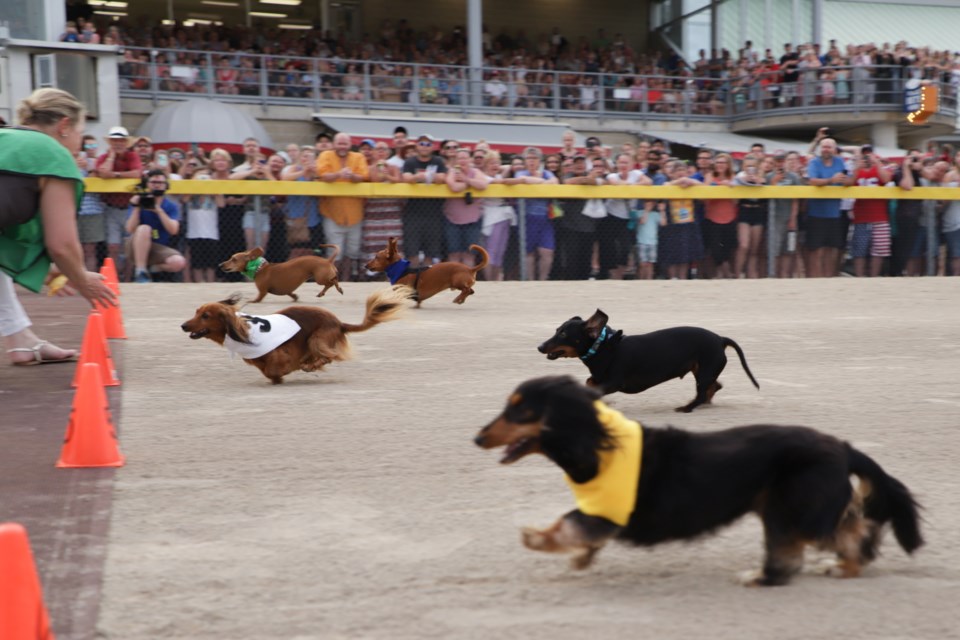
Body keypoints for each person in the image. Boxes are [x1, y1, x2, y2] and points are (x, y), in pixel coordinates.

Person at [1, 88, 116, 365]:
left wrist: (51, 270)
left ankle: (21, 340)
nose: (79, 143)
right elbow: (61, 244)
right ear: (64, 125)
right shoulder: (54, 154)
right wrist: (81, 279)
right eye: (80, 132)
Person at [317, 132, 369, 280]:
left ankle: (346, 280)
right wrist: (339, 174)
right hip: (332, 213)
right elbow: (323, 175)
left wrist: (352, 176)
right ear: (334, 144)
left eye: (345, 143)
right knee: (335, 251)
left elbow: (364, 176)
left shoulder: (358, 157)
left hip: (355, 214)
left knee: (353, 251)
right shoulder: (325, 155)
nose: (342, 146)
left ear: (350, 145)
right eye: (339, 143)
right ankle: (332, 279)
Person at [95, 125, 143, 277]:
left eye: (121, 140)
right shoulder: (104, 157)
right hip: (111, 208)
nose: (118, 144)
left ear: (126, 142)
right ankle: (114, 278)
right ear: (110, 142)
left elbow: (137, 173)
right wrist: (111, 157)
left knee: (129, 247)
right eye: (114, 140)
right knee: (113, 247)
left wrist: (115, 174)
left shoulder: (132, 156)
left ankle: (128, 279)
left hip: (129, 209)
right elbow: (102, 172)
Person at [125, 169, 187, 282]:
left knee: (179, 262)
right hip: (136, 246)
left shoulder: (171, 206)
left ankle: (152, 269)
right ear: (147, 184)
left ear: (166, 186)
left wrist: (158, 210)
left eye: (160, 183)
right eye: (153, 182)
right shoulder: (140, 201)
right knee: (144, 228)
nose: (157, 186)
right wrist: (137, 207)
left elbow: (173, 230)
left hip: (158, 247)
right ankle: (140, 272)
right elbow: (129, 229)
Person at [401, 134, 447, 267]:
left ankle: (425, 281)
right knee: (412, 252)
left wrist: (424, 177)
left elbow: (442, 178)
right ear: (416, 146)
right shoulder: (410, 162)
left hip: (434, 213)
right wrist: (423, 176)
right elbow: (407, 178)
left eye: (428, 144)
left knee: (430, 253)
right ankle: (412, 279)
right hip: (413, 213)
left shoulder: (438, 161)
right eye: (422, 143)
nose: (424, 147)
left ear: (433, 147)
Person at [805, 137, 848, 277]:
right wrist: (831, 180)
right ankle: (815, 279)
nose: (826, 149)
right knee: (815, 250)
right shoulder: (815, 162)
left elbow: (848, 179)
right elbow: (812, 181)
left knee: (832, 249)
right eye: (824, 146)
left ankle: (828, 279)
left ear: (834, 149)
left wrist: (848, 179)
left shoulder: (840, 161)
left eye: (829, 147)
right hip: (816, 213)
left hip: (834, 213)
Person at [444, 148, 489, 266]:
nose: (462, 160)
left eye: (465, 157)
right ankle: (453, 280)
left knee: (469, 254)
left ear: (470, 159)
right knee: (454, 253)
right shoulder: (452, 171)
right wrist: (470, 183)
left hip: (473, 220)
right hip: (452, 219)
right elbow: (453, 187)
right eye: (460, 158)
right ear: (455, 160)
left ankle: (466, 280)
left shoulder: (476, 172)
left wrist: (466, 180)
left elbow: (483, 184)